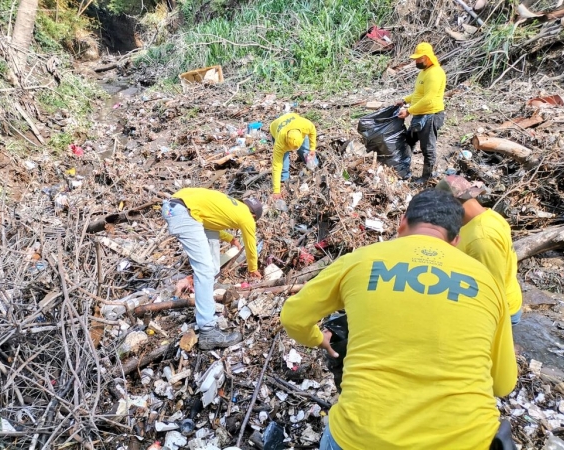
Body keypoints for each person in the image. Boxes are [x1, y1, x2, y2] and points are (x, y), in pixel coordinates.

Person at [281, 189, 517, 449]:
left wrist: (318, 338)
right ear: (456, 240)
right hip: (466, 440)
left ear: (402, 222)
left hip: (361, 438)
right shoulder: (488, 283)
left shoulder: (360, 261)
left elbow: (293, 317)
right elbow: (504, 383)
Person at [162, 188, 263, 349]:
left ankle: (206, 292)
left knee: (211, 265)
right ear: (254, 216)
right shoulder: (247, 218)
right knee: (205, 269)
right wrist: (253, 269)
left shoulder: (233, 205)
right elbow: (251, 245)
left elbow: (210, 223)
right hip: (183, 213)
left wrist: (230, 238)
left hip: (177, 206)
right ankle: (208, 331)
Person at [436, 175, 523, 324]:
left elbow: (490, 290)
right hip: (507, 300)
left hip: (498, 314)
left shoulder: (481, 238)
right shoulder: (490, 216)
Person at [395, 42, 446, 180]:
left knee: (428, 148)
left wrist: (409, 111)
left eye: (419, 59)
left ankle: (426, 177)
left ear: (428, 57)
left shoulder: (435, 73)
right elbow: (419, 94)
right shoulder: (424, 72)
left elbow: (428, 99)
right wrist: (405, 100)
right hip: (420, 115)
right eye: (416, 59)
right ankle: (403, 169)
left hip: (430, 115)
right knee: (408, 141)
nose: (416, 61)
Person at [269, 112, 318, 198]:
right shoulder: (280, 143)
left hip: (294, 120)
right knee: (283, 162)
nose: (293, 151)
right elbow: (277, 165)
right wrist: (276, 190)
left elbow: (312, 131)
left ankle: (316, 170)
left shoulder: (305, 125)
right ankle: (284, 181)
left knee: (306, 151)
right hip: (275, 127)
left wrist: (312, 148)